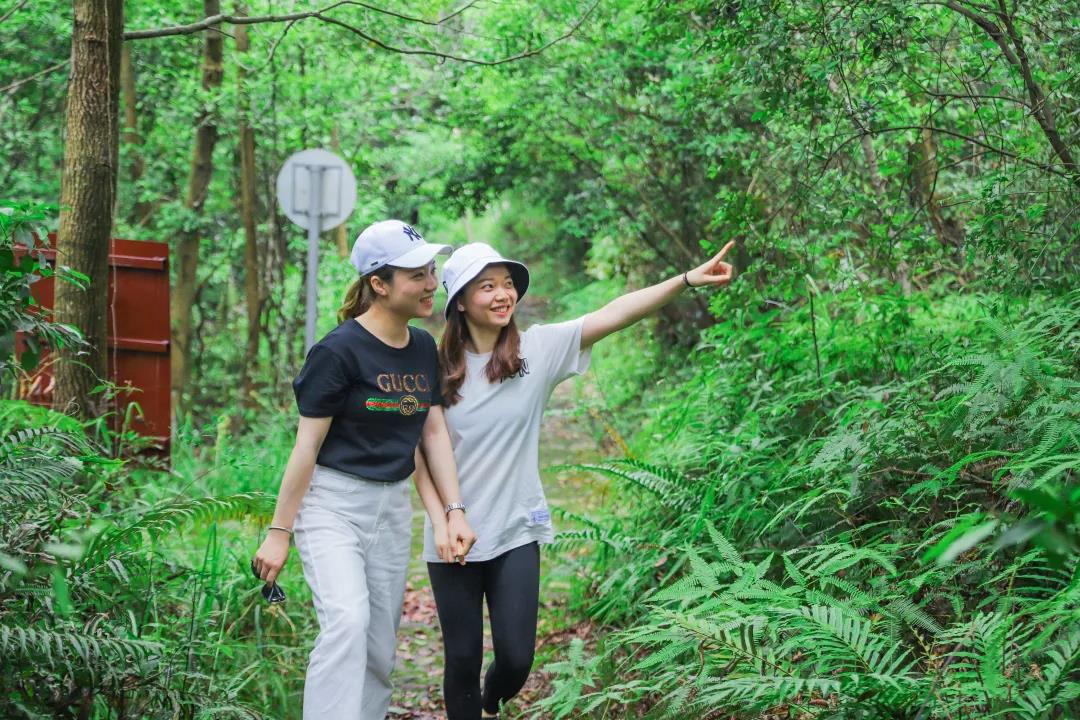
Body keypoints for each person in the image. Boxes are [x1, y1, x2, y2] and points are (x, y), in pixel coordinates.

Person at [415, 240, 735, 719]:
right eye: (487, 287)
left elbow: (616, 313)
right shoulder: (434, 369)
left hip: (517, 528)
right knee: (462, 657)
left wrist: (685, 279)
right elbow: (420, 450)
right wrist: (441, 519)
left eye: (508, 285)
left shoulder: (536, 350)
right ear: (460, 300)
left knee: (517, 661)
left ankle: (489, 704)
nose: (503, 295)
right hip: (451, 535)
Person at [252, 219, 478, 720]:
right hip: (333, 504)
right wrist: (279, 531)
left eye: (431, 270)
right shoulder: (337, 352)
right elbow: (305, 449)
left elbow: (433, 432)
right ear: (379, 283)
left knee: (378, 645)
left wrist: (453, 510)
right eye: (417, 275)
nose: (431, 283)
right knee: (347, 623)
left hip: (391, 507)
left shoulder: (422, 347)